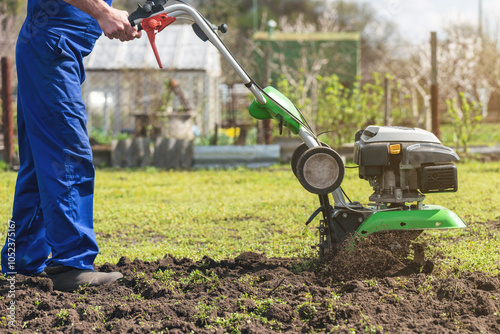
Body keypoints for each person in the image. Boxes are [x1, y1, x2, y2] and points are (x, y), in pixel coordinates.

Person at [1, 0, 141, 291]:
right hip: (52, 48)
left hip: (47, 48)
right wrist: (103, 12)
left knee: (40, 165)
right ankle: (71, 263)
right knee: (67, 155)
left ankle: (21, 263)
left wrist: (130, 18)